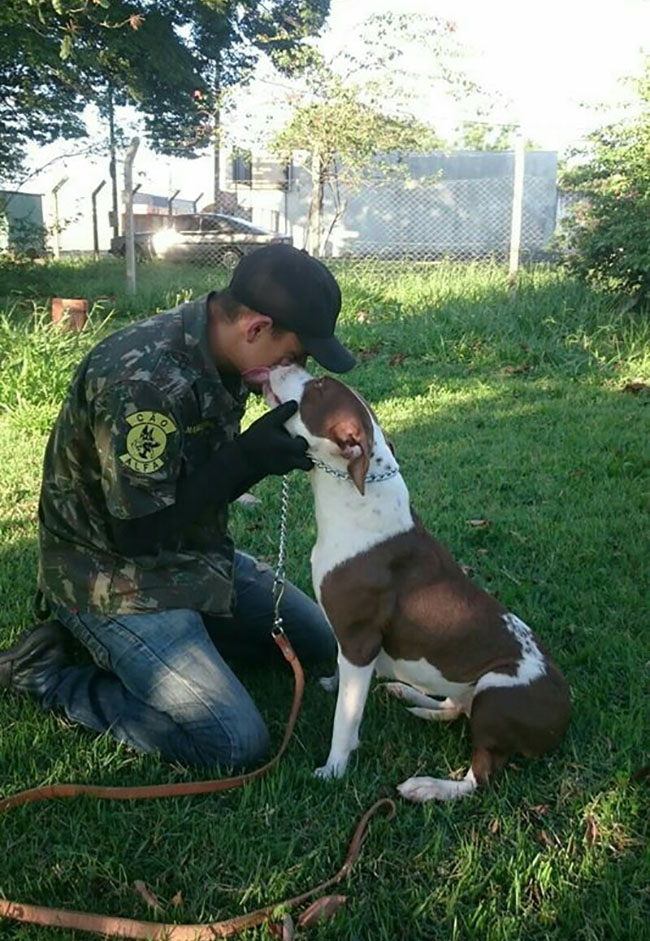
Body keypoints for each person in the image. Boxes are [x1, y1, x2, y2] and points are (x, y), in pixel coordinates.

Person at [0, 244, 355, 770]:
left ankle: (180, 648)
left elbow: (191, 489)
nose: (296, 370)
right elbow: (137, 534)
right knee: (233, 742)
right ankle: (48, 674)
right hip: (111, 577)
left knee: (319, 642)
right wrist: (247, 459)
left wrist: (252, 459)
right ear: (256, 328)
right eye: (295, 355)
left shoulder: (225, 349)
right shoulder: (142, 381)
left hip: (191, 554)